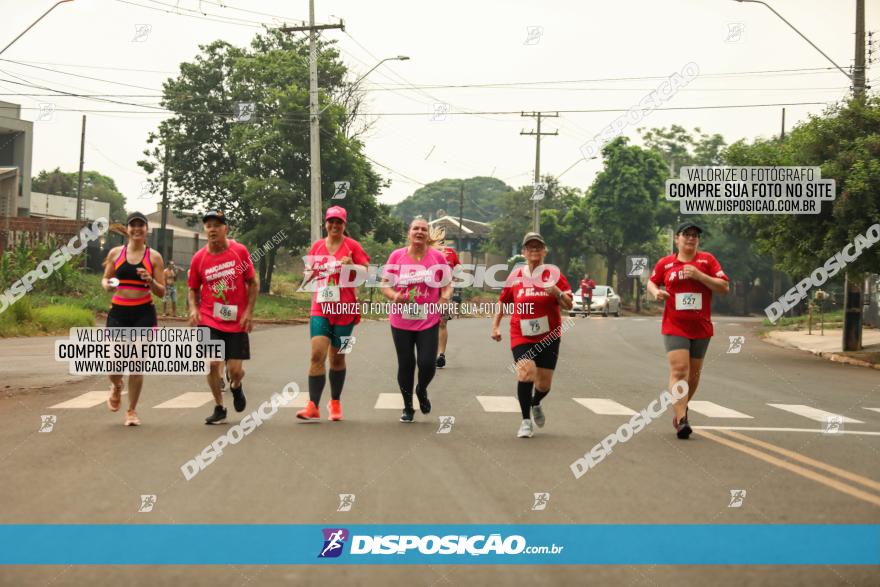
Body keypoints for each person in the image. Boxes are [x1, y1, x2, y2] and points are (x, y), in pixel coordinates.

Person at [647, 221, 729, 439]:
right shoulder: (666, 263)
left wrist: (699, 276)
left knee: (693, 376)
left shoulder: (707, 260)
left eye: (695, 235)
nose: (691, 238)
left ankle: (680, 409)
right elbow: (651, 282)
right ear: (677, 239)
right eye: (686, 234)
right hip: (675, 325)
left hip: (701, 326)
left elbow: (724, 287)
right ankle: (682, 419)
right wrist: (656, 292)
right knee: (680, 371)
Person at [491, 232, 573, 438]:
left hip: (549, 335)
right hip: (521, 333)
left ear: (545, 251)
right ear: (523, 252)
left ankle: (536, 403)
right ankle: (525, 421)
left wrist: (556, 292)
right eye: (530, 247)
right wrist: (496, 326)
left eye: (538, 247)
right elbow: (503, 301)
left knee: (544, 384)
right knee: (526, 372)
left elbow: (569, 304)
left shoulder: (555, 275)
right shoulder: (516, 277)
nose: (534, 250)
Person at [296, 205, 370, 422]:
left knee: (338, 358)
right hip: (320, 307)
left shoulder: (352, 246)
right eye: (331, 221)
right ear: (326, 224)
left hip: (346, 309)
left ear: (344, 225)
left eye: (339, 222)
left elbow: (367, 273)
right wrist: (308, 273)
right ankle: (312, 406)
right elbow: (308, 275)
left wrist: (352, 266)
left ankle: (335, 402)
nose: (335, 225)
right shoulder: (317, 247)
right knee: (316, 354)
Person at [188, 211, 258, 425]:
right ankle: (219, 407)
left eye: (217, 225)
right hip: (209, 318)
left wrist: (248, 312)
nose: (212, 229)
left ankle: (236, 386)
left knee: (235, 371)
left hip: (236, 320)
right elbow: (192, 289)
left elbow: (252, 283)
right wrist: (193, 309)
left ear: (225, 229)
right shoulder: (199, 258)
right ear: (204, 231)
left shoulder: (239, 251)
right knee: (212, 363)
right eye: (208, 226)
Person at [380, 218, 453, 422]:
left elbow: (447, 284)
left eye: (423, 229)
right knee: (406, 364)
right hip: (401, 320)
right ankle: (408, 407)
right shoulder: (397, 256)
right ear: (409, 233)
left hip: (428, 319)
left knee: (427, 363)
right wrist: (395, 296)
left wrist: (444, 298)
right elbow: (385, 285)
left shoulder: (437, 257)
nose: (419, 232)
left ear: (427, 234)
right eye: (415, 228)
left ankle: (421, 390)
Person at [101, 212, 166, 426]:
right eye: (133, 226)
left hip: (143, 314)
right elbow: (105, 280)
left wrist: (150, 282)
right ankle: (117, 385)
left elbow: (162, 292)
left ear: (147, 230)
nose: (137, 229)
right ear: (127, 229)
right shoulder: (115, 253)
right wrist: (109, 284)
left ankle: (131, 411)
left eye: (141, 226)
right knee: (114, 364)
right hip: (119, 313)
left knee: (137, 363)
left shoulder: (154, 257)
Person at [436, 233, 461, 369]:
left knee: (442, 322)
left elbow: (457, 270)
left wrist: (454, 282)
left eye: (441, 240)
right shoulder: (427, 251)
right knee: (424, 323)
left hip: (445, 292)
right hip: (427, 292)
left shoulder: (451, 252)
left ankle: (441, 355)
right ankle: (426, 353)